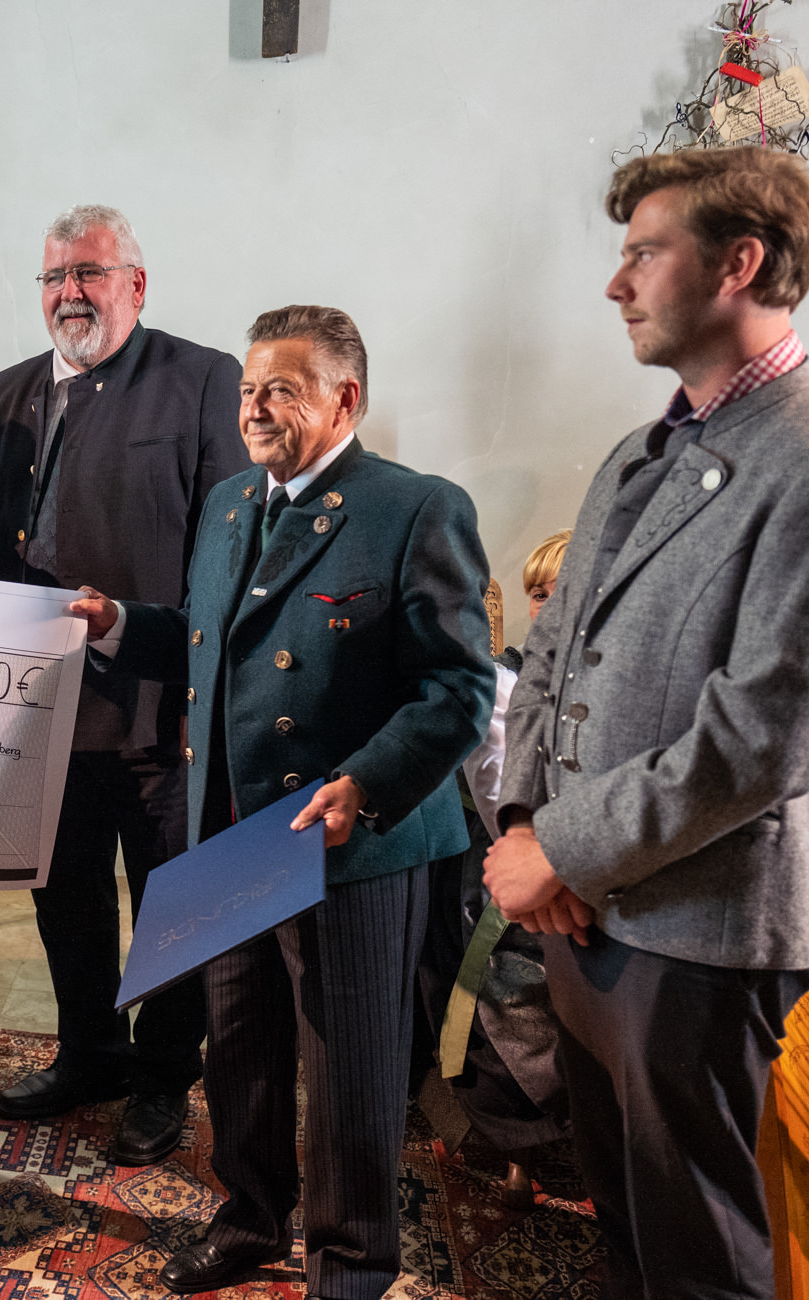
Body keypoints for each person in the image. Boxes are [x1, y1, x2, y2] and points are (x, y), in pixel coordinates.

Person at [487, 147, 809, 1299]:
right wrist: (523, 823)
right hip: (585, 911)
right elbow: (555, 654)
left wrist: (560, 848)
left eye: (643, 252)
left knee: (698, 1259)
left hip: (698, 928)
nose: (615, 282)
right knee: (624, 1228)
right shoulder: (638, 452)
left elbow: (764, 736)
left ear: (739, 263)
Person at [73, 305, 493, 1297]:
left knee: (349, 1071)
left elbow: (457, 689)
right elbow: (209, 642)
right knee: (242, 1049)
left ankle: (350, 1263)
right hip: (234, 831)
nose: (255, 408)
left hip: (351, 841)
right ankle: (252, 1218)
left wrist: (366, 784)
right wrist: (118, 623)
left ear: (345, 398)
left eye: (282, 390)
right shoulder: (230, 502)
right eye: (249, 389)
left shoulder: (416, 508)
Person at [0, 204, 245, 1163]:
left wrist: (203, 681)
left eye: (89, 273)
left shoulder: (201, 379)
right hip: (40, 712)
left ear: (136, 285)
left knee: (176, 907)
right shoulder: (1, 393)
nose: (70, 293)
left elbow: (228, 547)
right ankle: (90, 1053)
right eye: (54, 277)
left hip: (161, 707)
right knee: (66, 902)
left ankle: (162, 1078)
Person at [414, 530, 573, 1210]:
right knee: (477, 973)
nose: (547, 606)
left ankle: (552, 1132)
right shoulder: (505, 676)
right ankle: (509, 1136)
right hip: (488, 862)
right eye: (538, 593)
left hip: (573, 866)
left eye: (562, 591)